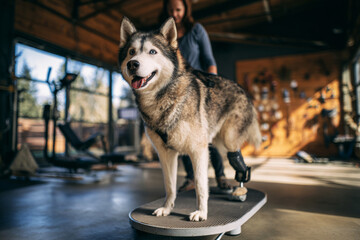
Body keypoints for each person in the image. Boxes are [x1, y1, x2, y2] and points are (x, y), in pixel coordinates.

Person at [160, 0, 232, 192]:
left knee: (207, 135)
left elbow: (209, 60)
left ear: (185, 9)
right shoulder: (164, 34)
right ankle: (191, 179)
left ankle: (221, 176)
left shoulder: (196, 30)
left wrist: (214, 86)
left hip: (201, 91)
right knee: (180, 136)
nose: (175, 14)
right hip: (177, 93)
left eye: (178, 10)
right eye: (171, 10)